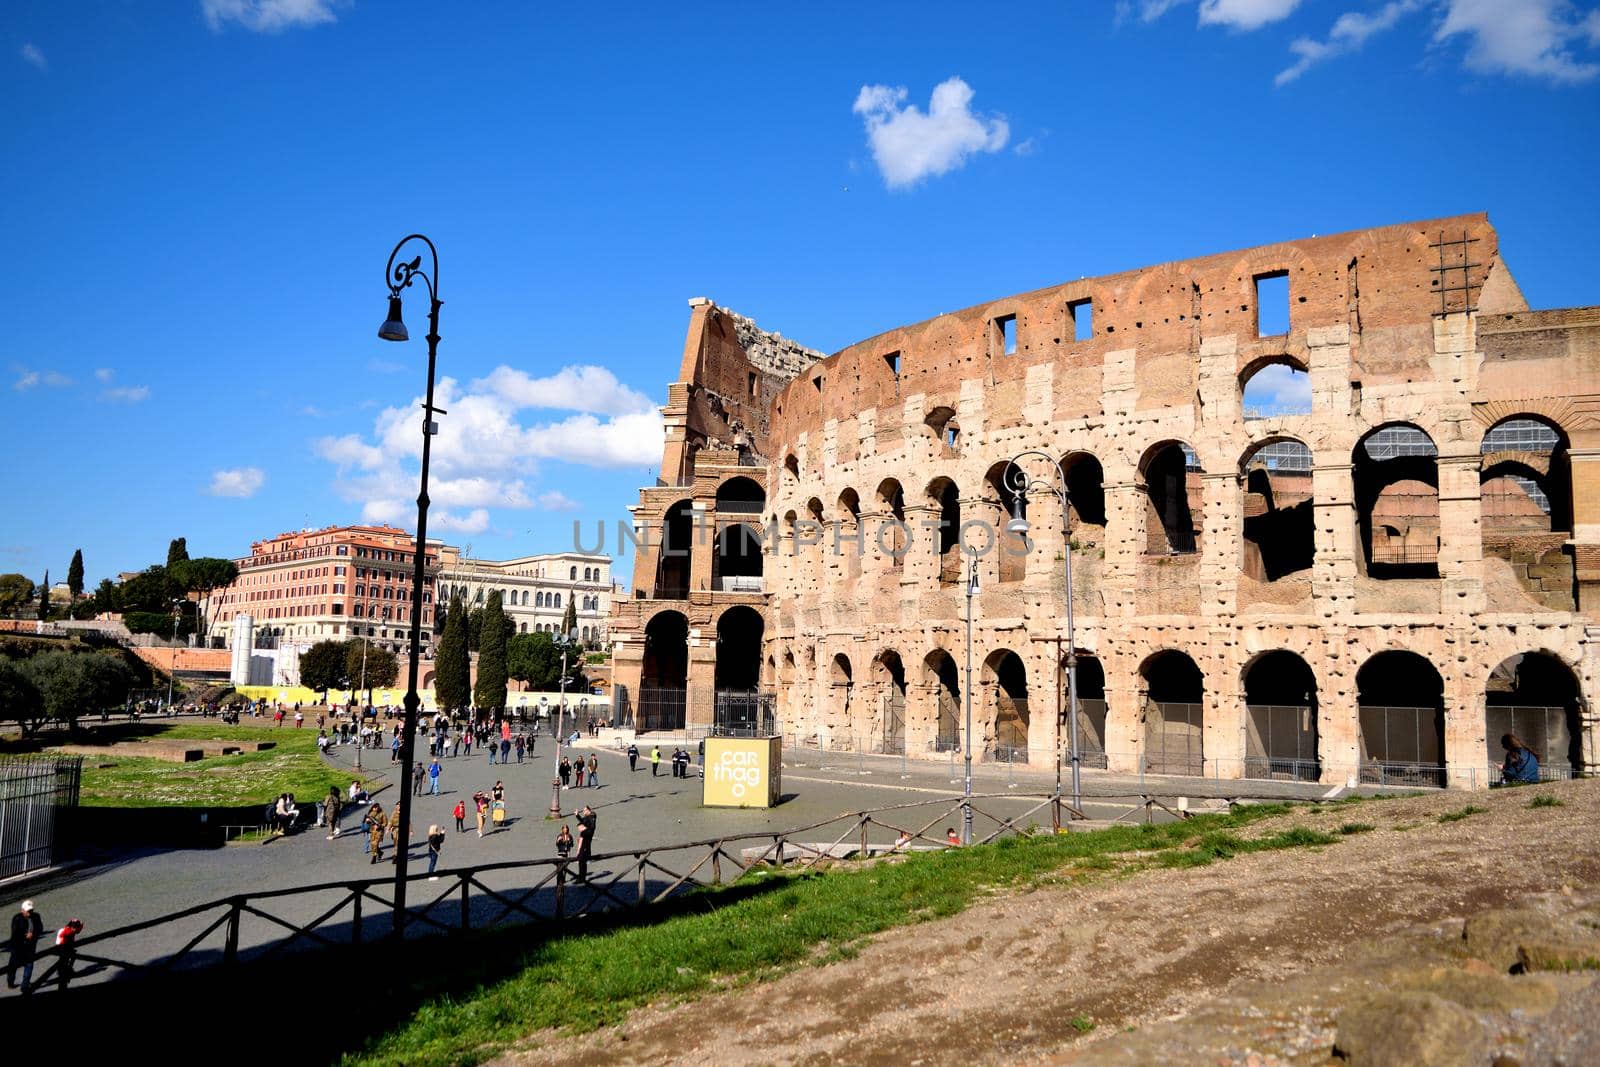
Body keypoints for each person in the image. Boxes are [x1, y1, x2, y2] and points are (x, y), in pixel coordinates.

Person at [7, 900, 44, 992]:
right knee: (13, 966)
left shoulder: (36, 916)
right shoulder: (17, 918)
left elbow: (40, 928)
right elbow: (15, 933)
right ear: (22, 910)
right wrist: (25, 935)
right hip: (18, 947)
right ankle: (10, 982)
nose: (30, 912)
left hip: (30, 947)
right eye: (28, 911)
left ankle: (24, 985)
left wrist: (33, 934)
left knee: (29, 965)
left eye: (31, 910)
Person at [54, 918, 83, 989]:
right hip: (62, 946)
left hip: (67, 945)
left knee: (72, 957)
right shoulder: (67, 931)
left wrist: (81, 925)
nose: (77, 930)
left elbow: (77, 931)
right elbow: (61, 937)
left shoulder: (71, 929)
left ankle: (67, 969)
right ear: (73, 927)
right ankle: (64, 971)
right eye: (76, 928)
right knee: (65, 959)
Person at [575, 805, 596, 882]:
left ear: (588, 810)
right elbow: (583, 821)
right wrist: (577, 815)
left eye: (584, 810)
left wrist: (584, 830)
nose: (583, 812)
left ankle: (581, 878)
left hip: (586, 841)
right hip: (585, 840)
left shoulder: (592, 816)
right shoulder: (588, 818)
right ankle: (581, 877)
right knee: (582, 862)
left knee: (582, 860)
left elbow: (591, 828)